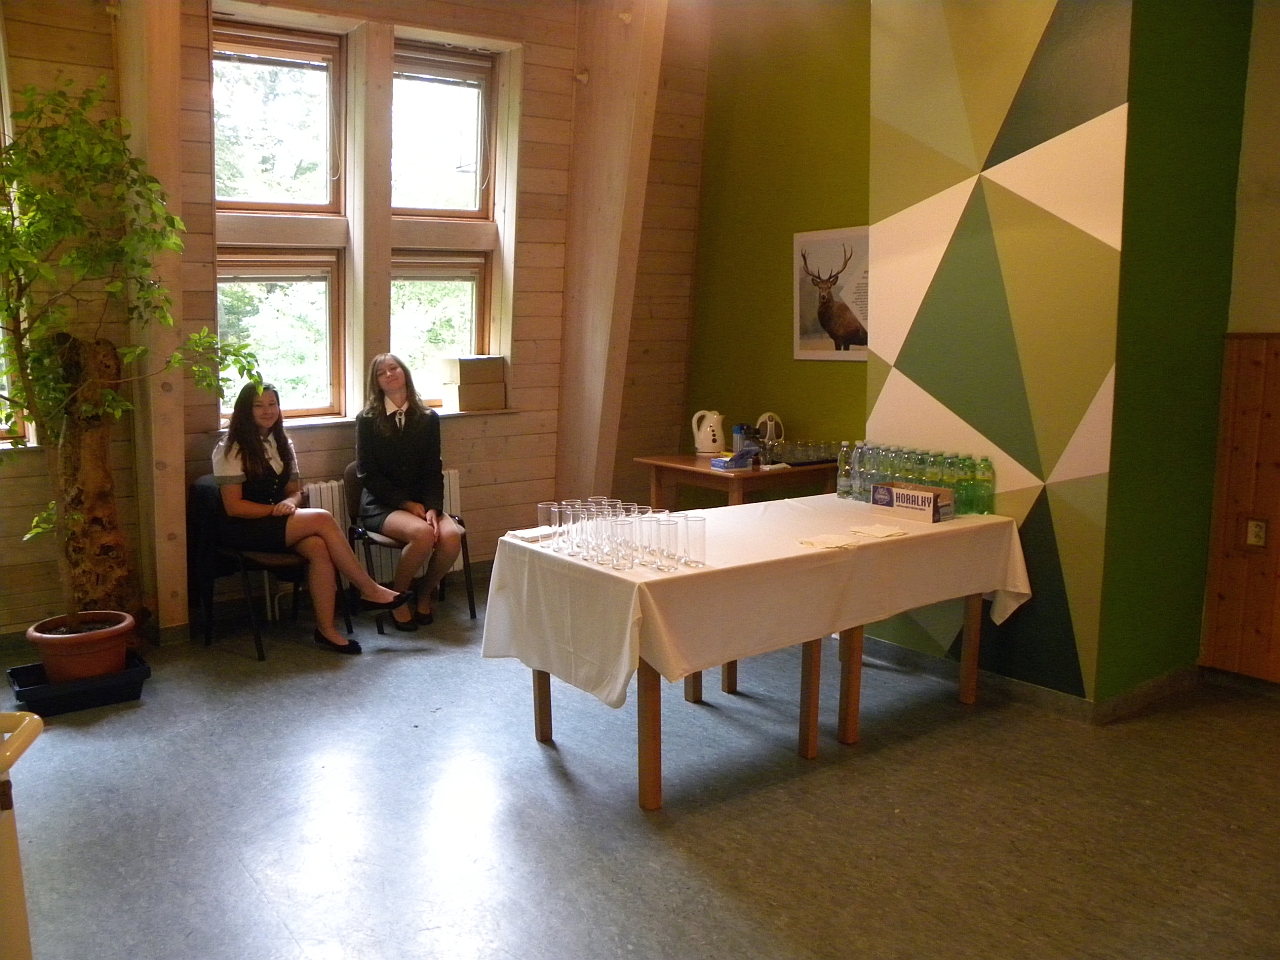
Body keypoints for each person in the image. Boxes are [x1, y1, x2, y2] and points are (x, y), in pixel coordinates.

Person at [213, 383, 412, 654]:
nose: (267, 411)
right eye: (258, 406)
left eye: (272, 404)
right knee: (322, 518)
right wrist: (275, 510)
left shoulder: (282, 441)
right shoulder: (230, 448)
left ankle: (326, 631)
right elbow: (234, 507)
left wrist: (289, 502)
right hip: (242, 527)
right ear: (245, 411)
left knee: (318, 547)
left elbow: (296, 492)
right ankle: (369, 590)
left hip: (275, 522)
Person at [355, 354, 463, 631]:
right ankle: (397, 598)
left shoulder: (427, 418)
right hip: (382, 504)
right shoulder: (367, 420)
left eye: (394, 368)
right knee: (423, 534)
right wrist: (405, 503)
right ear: (376, 382)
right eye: (381, 373)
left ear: (404, 373)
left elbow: (432, 469)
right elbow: (367, 474)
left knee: (451, 538)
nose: (389, 374)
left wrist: (433, 508)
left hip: (422, 502)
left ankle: (424, 593)